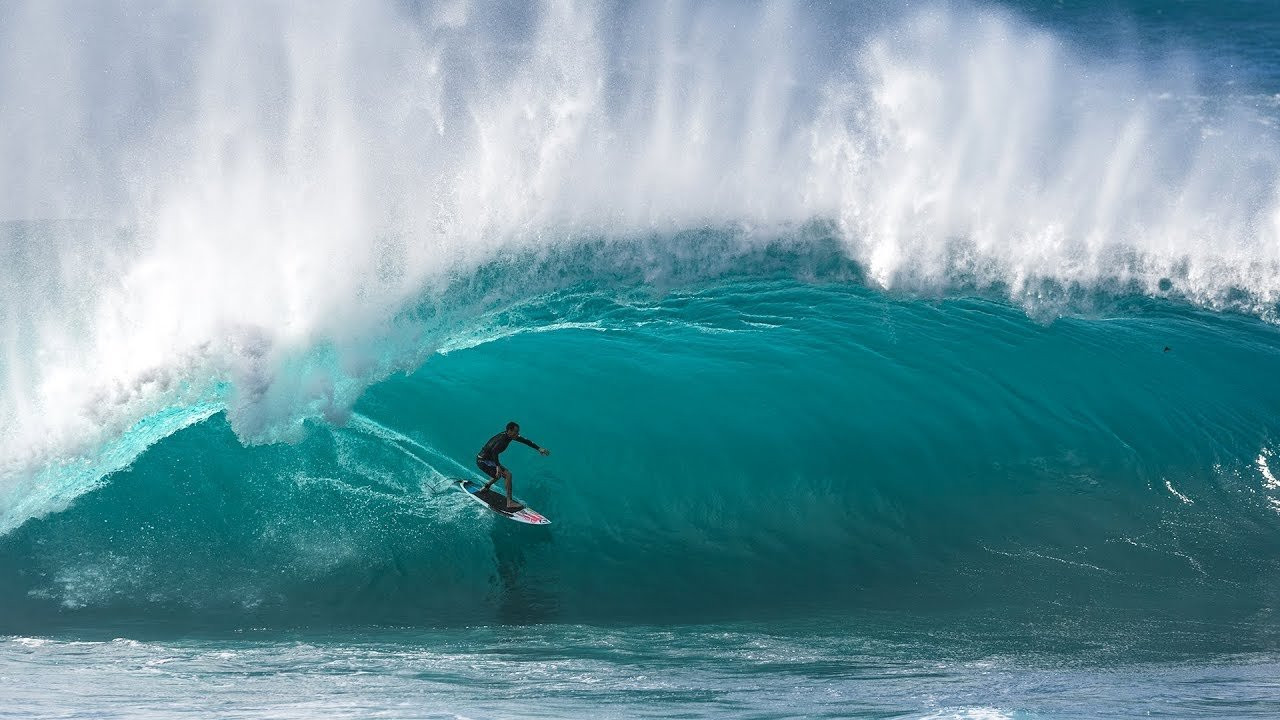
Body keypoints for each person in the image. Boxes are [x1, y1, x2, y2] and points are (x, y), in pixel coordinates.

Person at [477, 421, 550, 511]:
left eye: (518, 432)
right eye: (516, 432)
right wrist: (498, 466)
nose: (518, 434)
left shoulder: (509, 436)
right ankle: (509, 502)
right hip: (483, 461)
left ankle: (485, 487)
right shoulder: (502, 440)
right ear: (509, 431)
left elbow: (525, 441)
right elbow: (494, 452)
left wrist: (539, 448)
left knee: (499, 474)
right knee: (508, 475)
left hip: (489, 459)